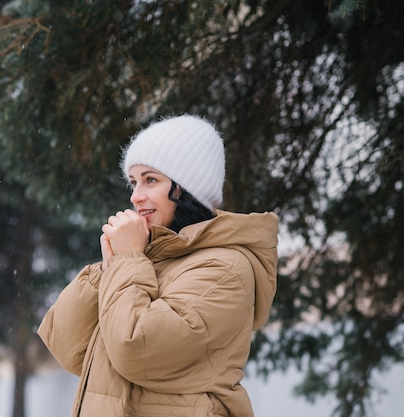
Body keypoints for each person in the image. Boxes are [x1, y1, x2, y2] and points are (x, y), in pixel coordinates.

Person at [37, 115, 278, 417]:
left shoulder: (225, 268)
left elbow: (135, 350)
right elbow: (70, 349)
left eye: (151, 180)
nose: (136, 196)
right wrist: (108, 269)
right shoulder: (144, 262)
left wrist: (127, 262)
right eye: (134, 181)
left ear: (187, 189)